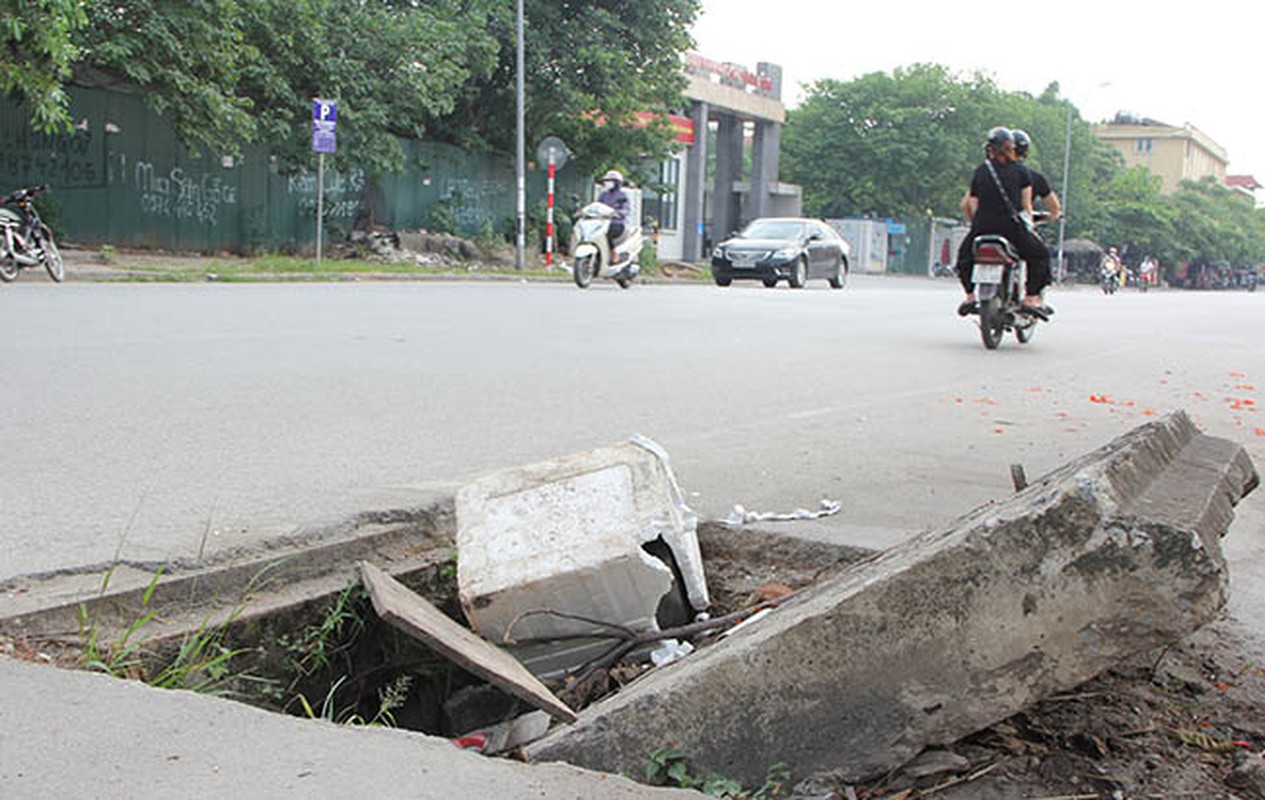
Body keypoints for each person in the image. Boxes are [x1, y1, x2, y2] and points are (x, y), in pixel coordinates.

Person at [954, 127, 1054, 319]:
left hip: (982, 227)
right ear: (1011, 147)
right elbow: (1025, 205)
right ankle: (1031, 297)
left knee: (964, 257)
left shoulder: (981, 171)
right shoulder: (1021, 172)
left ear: (990, 148)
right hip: (1011, 228)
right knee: (1040, 255)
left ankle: (969, 296)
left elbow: (971, 203)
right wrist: (1030, 225)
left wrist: (979, 223)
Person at [1011, 130, 1062, 223]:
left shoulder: (988, 172)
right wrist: (1044, 219)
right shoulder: (1035, 177)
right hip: (1017, 230)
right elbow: (1055, 208)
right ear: (1026, 152)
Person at [596, 169, 630, 256]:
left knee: (607, 233)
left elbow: (626, 209)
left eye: (609, 181)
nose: (607, 183)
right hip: (602, 222)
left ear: (616, 183)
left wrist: (618, 213)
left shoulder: (622, 196)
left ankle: (613, 252)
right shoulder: (603, 195)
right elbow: (597, 205)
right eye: (606, 181)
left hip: (616, 223)